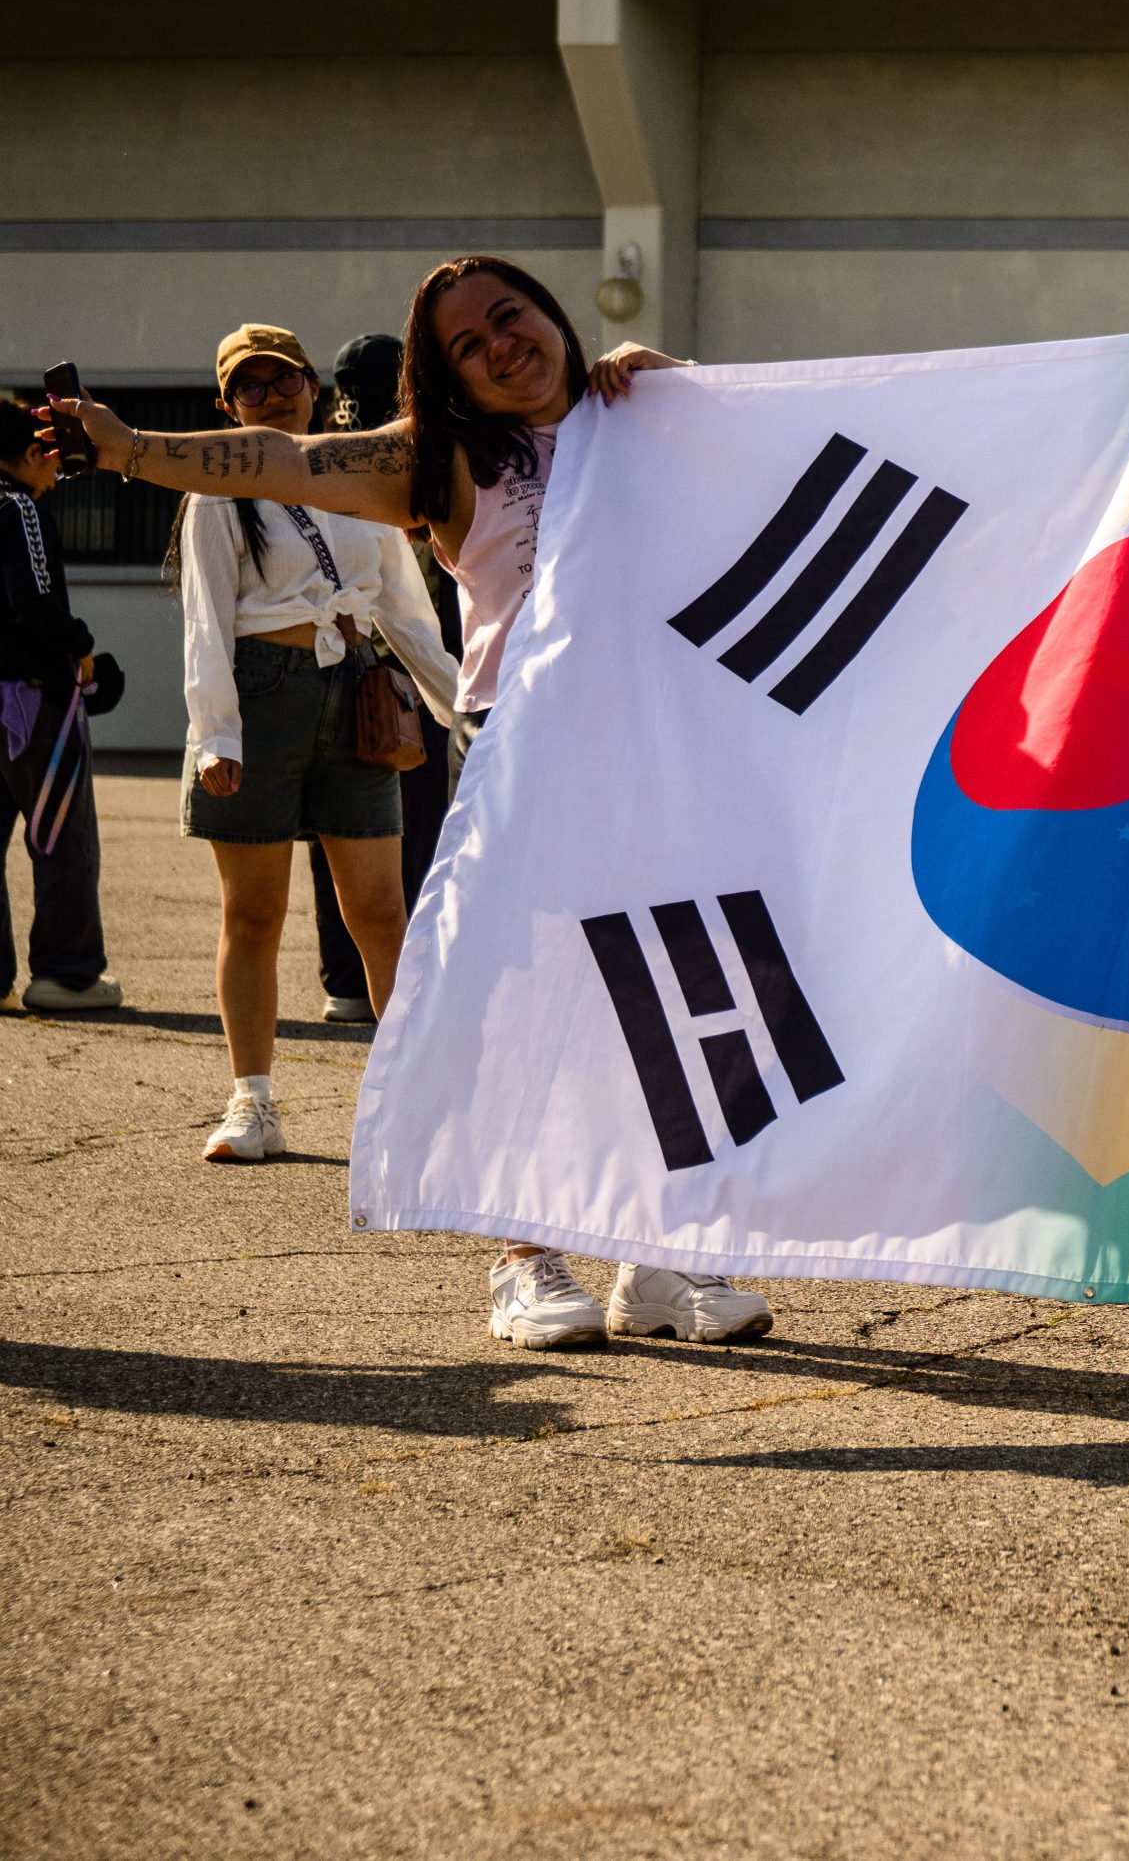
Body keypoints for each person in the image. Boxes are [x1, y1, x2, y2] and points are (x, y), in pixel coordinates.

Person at [46, 257, 774, 1350]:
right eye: (465, 346)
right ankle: (523, 1258)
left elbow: (805, 460)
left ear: (552, 316)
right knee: (529, 1010)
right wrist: (133, 449)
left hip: (661, 748)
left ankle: (660, 1260)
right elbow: (286, 461)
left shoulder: (639, 417)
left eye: (507, 318)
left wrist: (688, 386)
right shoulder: (437, 465)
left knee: (665, 1002)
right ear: (445, 378)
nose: (497, 346)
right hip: (526, 748)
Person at [171, 325, 455, 1165]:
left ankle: (413, 1107)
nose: (270, 397)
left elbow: (406, 606)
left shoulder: (355, 470)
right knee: (254, 913)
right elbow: (205, 622)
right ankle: (251, 1103)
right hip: (262, 693)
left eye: (282, 381)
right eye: (249, 388)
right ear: (227, 405)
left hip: (361, 692)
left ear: (311, 386)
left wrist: (463, 706)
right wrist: (214, 732)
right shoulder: (217, 491)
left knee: (380, 911)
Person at [304, 329, 448, 1027]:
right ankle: (398, 978)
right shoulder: (415, 461)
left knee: (331, 834)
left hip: (326, 671)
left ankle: (344, 980)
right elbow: (425, 597)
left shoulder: (322, 464)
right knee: (404, 836)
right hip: (404, 687)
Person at [1, 396, 118, 1016]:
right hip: (30, 700)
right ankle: (66, 976)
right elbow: (37, 599)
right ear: (28, 455)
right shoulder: (18, 507)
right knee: (62, 838)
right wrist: (83, 650)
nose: (58, 475)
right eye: (54, 459)